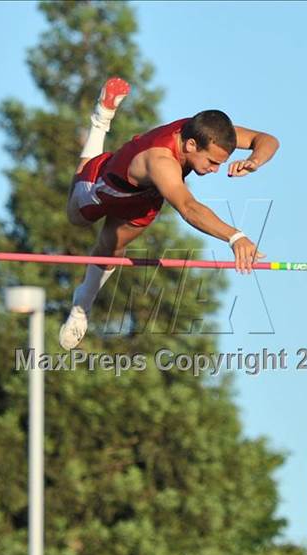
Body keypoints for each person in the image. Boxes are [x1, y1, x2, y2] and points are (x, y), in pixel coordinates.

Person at [60, 77, 279, 350]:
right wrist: (235, 236)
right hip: (108, 185)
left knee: (110, 249)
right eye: (212, 162)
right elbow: (188, 208)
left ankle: (81, 307)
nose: (215, 170)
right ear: (190, 146)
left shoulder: (209, 132)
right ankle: (101, 120)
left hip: (146, 199)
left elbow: (268, 140)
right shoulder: (161, 159)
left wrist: (254, 161)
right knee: (76, 217)